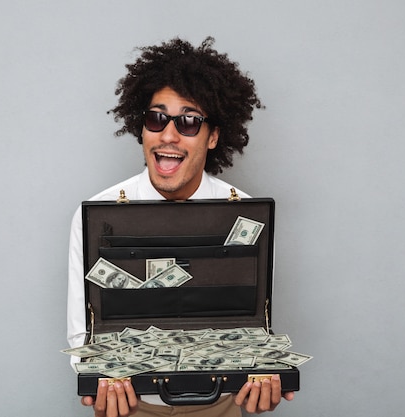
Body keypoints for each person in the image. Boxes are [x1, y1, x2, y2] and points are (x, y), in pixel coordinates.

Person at [67, 37, 294, 417]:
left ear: (214, 135)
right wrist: (99, 376)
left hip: (219, 406)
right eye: (157, 118)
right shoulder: (95, 214)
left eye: (189, 121)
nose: (169, 135)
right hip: (127, 406)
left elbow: (255, 317)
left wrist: (261, 373)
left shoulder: (245, 213)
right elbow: (81, 332)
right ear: (142, 129)